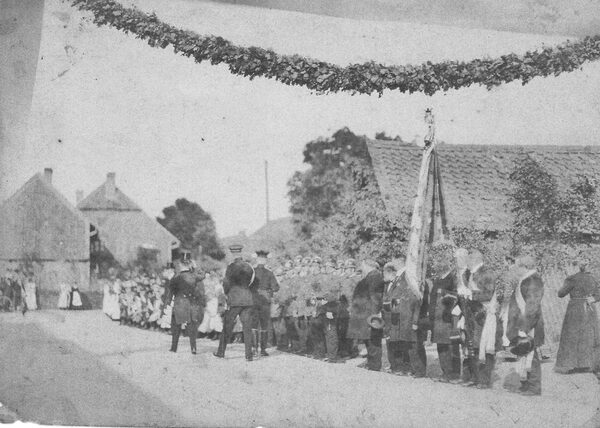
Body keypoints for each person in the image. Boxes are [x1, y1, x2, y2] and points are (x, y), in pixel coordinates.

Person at [506, 256, 545, 396]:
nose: (516, 269)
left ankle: (534, 387)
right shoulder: (526, 279)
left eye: (518, 266)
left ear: (524, 267)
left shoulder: (534, 280)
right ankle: (525, 383)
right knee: (523, 352)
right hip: (522, 323)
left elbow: (532, 307)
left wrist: (524, 327)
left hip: (530, 325)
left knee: (531, 355)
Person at [555, 259, 600, 375]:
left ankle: (570, 365)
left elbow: (560, 294)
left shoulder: (572, 278)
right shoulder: (593, 278)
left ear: (577, 266)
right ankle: (587, 364)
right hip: (590, 309)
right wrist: (593, 299)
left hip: (575, 309)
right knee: (588, 334)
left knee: (572, 334)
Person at [214, 244, 257, 361]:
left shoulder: (231, 267)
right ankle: (249, 355)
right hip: (247, 299)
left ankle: (221, 352)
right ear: (241, 253)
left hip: (235, 299)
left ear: (233, 254)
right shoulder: (249, 267)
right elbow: (253, 282)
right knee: (247, 328)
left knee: (227, 326)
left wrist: (228, 293)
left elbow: (226, 283)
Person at [382, 261, 424, 377]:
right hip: (395, 316)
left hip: (405, 316)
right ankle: (399, 367)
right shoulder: (392, 282)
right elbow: (394, 299)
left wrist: (392, 307)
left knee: (409, 345)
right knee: (397, 343)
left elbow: (407, 299)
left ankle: (414, 369)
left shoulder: (407, 280)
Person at [464, 250, 498, 388]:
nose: (466, 262)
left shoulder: (487, 273)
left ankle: (484, 380)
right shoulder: (471, 274)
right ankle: (475, 377)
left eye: (468, 260)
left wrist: (471, 294)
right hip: (471, 314)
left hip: (483, 315)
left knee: (483, 346)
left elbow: (488, 294)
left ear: (475, 260)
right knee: (473, 346)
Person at [428, 246, 461, 383]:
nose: (435, 266)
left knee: (450, 346)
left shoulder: (452, 278)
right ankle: (445, 371)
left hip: (447, 318)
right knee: (441, 346)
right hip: (437, 318)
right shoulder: (437, 280)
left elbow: (456, 296)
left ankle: (453, 373)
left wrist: (448, 297)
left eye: (437, 264)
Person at [164, 253, 206, 354]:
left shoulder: (176, 277)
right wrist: (195, 267)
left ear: (181, 265)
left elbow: (171, 291)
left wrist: (168, 302)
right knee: (192, 327)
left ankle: (174, 348)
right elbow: (203, 275)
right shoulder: (195, 276)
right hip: (191, 303)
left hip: (179, 303)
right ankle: (193, 348)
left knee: (176, 325)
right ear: (190, 264)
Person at [347, 259, 384, 371]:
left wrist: (374, 315)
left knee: (373, 341)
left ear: (368, 265)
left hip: (370, 315)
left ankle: (375, 366)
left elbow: (375, 297)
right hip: (365, 314)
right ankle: (371, 363)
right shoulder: (370, 277)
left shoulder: (375, 277)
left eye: (362, 266)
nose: (361, 268)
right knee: (369, 340)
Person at [251, 250, 280, 357]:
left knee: (258, 325)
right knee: (261, 325)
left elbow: (276, 286)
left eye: (262, 259)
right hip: (262, 301)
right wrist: (269, 291)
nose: (262, 260)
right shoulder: (267, 273)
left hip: (257, 301)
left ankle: (257, 349)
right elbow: (276, 287)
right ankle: (259, 349)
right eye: (261, 259)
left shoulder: (254, 272)